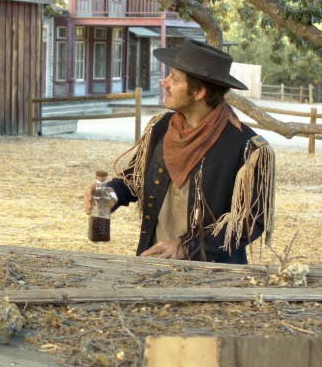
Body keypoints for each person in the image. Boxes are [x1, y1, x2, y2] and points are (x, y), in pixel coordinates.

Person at [85, 39, 274, 264]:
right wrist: (111, 194)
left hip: (215, 275)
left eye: (174, 78)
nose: (164, 82)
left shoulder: (248, 148)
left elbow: (251, 221)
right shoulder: (161, 127)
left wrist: (187, 247)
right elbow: (133, 179)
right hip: (154, 265)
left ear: (199, 92)